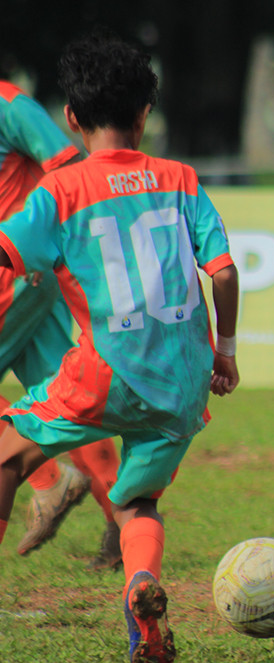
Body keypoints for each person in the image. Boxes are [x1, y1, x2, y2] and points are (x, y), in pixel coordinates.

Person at [0, 32, 240, 663]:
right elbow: (223, 272)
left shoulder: (62, 191)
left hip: (107, 372)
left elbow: (7, 251)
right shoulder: (181, 179)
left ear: (71, 118)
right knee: (139, 502)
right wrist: (226, 352)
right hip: (183, 381)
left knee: (5, 455)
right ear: (145, 113)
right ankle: (141, 590)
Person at [0, 77, 124, 569]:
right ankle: (121, 523)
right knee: (72, 399)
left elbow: (69, 166)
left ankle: (49, 480)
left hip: (16, 267)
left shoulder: (9, 104)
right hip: (28, 273)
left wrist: (45, 237)